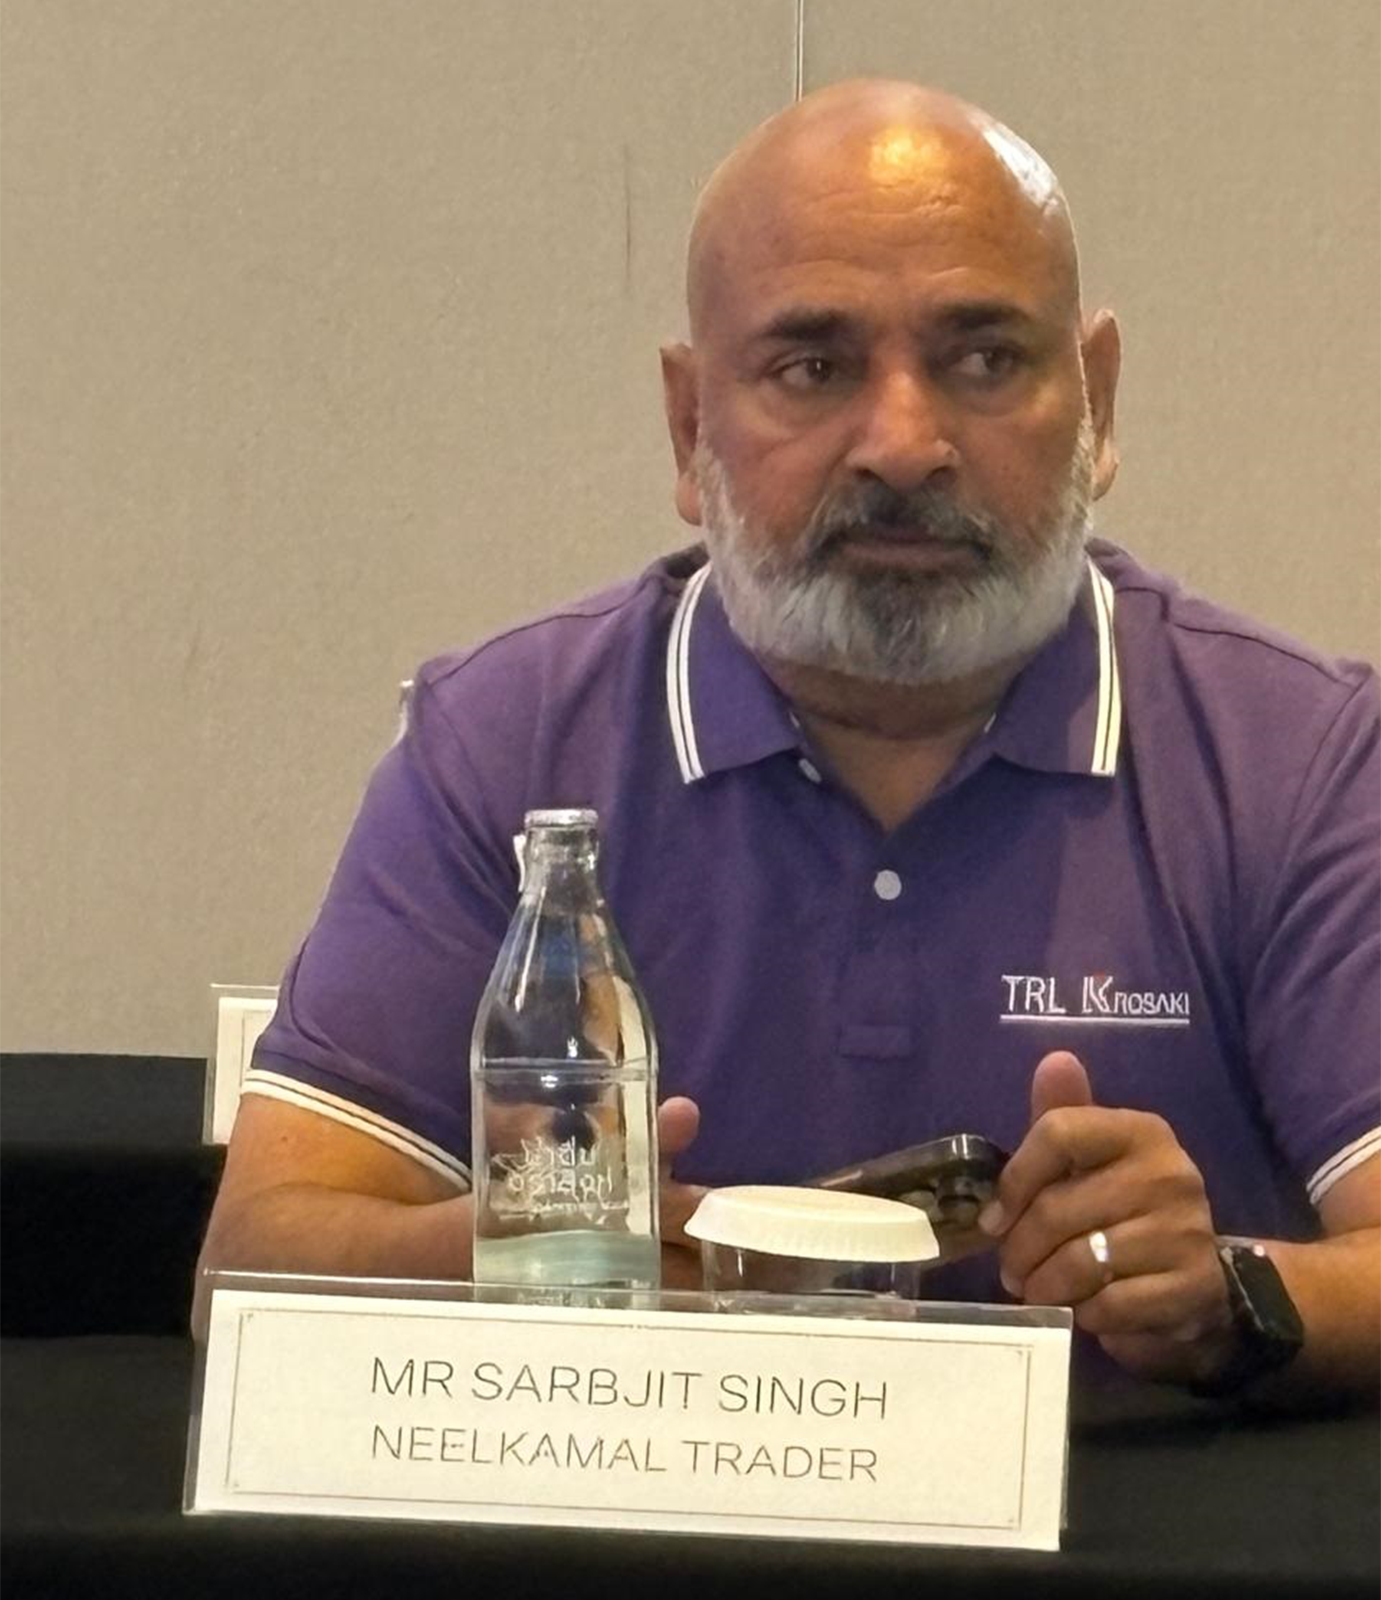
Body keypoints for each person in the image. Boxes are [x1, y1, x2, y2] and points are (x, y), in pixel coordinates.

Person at [199, 80, 1381, 1400]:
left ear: (1096, 401)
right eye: (814, 369)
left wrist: (1229, 1291)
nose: (904, 446)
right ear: (690, 426)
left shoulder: (1302, 756)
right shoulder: (503, 744)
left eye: (984, 360)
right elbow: (248, 1271)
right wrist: (550, 1253)